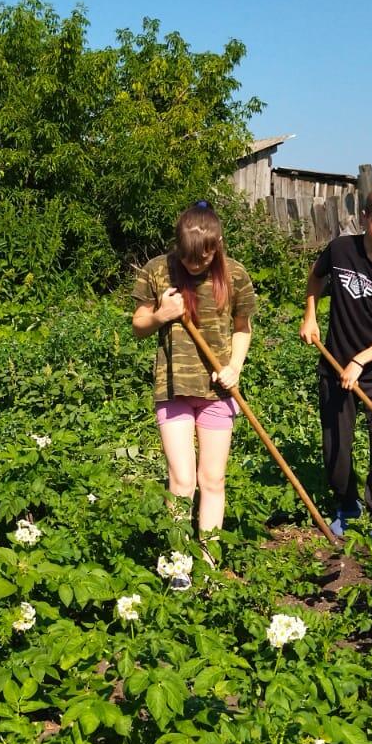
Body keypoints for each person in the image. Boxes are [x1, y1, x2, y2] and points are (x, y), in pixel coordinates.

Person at [131, 201, 258, 582]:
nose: (193, 266)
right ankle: (178, 565)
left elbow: (242, 326)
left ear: (216, 248)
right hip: (173, 388)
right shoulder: (157, 270)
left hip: (218, 392)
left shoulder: (235, 275)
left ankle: (209, 561)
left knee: (213, 479)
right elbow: (138, 325)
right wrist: (160, 315)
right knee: (182, 480)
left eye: (201, 260)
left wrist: (235, 366)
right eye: (186, 259)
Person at [301, 182, 372, 536]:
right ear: (365, 217)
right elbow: (315, 279)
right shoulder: (341, 250)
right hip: (335, 365)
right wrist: (310, 315)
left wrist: (362, 361)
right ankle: (347, 505)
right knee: (335, 444)